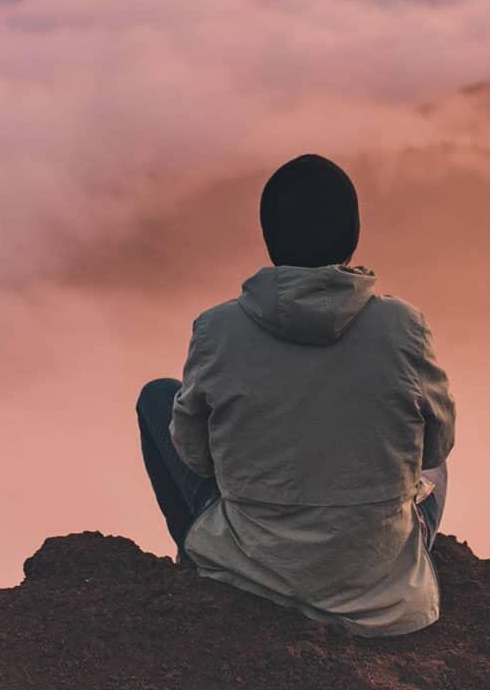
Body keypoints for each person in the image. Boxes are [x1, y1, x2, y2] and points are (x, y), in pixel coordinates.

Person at [135, 153, 455, 636]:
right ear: (352, 236)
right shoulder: (403, 326)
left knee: (157, 397)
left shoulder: (217, 329)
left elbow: (196, 459)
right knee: (436, 471)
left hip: (253, 565)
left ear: (270, 239)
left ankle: (199, 560)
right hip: (380, 591)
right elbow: (434, 449)